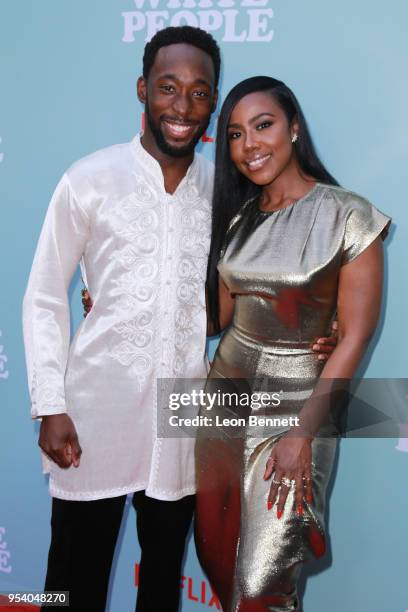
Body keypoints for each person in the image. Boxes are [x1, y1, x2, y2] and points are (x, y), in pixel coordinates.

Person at [23, 27, 336, 611]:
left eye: (199, 93)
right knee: (71, 578)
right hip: (95, 415)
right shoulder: (89, 179)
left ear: (213, 102)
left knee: (162, 578)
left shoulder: (228, 194)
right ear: (143, 89)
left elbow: (254, 290)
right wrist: (50, 403)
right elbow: (43, 294)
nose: (183, 106)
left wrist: (317, 327)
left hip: (184, 421)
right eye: (169, 88)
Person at [195, 76, 390, 611]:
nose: (249, 145)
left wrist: (304, 433)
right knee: (218, 559)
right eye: (234, 134)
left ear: (294, 128)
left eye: (263, 125)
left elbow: (354, 338)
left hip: (299, 407)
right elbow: (217, 318)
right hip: (223, 396)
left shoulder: (350, 216)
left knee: (264, 581)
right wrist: (123, 298)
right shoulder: (237, 219)